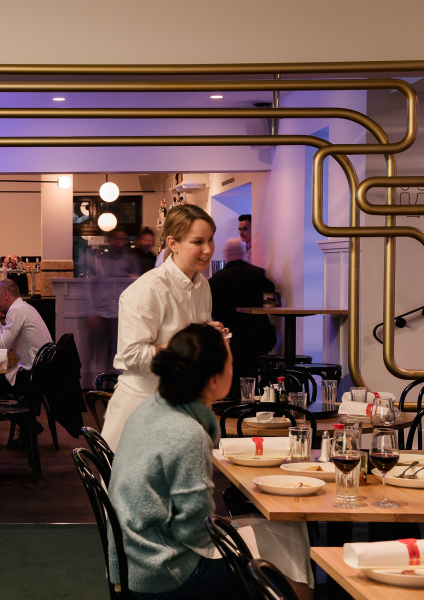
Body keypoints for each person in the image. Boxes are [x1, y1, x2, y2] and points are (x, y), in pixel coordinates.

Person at [109, 323, 314, 600]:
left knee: (281, 532)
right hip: (166, 571)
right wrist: (237, 540)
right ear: (213, 379)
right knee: (286, 577)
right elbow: (194, 530)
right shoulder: (186, 432)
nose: (233, 370)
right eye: (231, 364)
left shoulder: (152, 406)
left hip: (137, 555)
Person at [101, 204, 225, 451]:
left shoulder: (202, 285)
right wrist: (184, 345)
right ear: (173, 243)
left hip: (184, 408)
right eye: (198, 242)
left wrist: (208, 337)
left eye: (210, 239)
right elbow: (132, 356)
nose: (208, 249)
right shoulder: (149, 288)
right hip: (143, 411)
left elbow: (193, 344)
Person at [209, 238, 277, 399]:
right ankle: (253, 397)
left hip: (230, 337)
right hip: (258, 336)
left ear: (226, 254)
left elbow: (211, 309)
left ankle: (233, 399)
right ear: (242, 252)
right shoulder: (257, 273)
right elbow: (271, 288)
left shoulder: (216, 279)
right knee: (251, 368)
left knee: (233, 368)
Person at [0, 278, 52, 400]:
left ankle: (17, 409)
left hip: (32, 374)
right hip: (41, 371)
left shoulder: (16, 310)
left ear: (6, 295)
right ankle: (18, 407)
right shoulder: (24, 307)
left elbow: (3, 347)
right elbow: (6, 339)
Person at [85, 228, 140, 373]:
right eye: (117, 238)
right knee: (99, 353)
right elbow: (91, 285)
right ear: (110, 240)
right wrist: (91, 311)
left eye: (123, 239)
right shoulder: (100, 259)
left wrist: (133, 277)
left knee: (119, 351)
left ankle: (116, 383)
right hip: (101, 312)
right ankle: (99, 382)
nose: (120, 242)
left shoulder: (131, 259)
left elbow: (140, 284)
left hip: (122, 313)